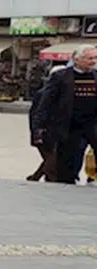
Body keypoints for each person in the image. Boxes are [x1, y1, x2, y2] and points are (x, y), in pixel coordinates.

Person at [31, 45, 97, 184]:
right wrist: (38, 128)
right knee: (69, 165)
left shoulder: (95, 76)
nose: (93, 61)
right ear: (77, 59)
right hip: (69, 128)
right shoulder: (61, 77)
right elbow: (46, 103)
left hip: (92, 125)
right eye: (89, 58)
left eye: (95, 58)